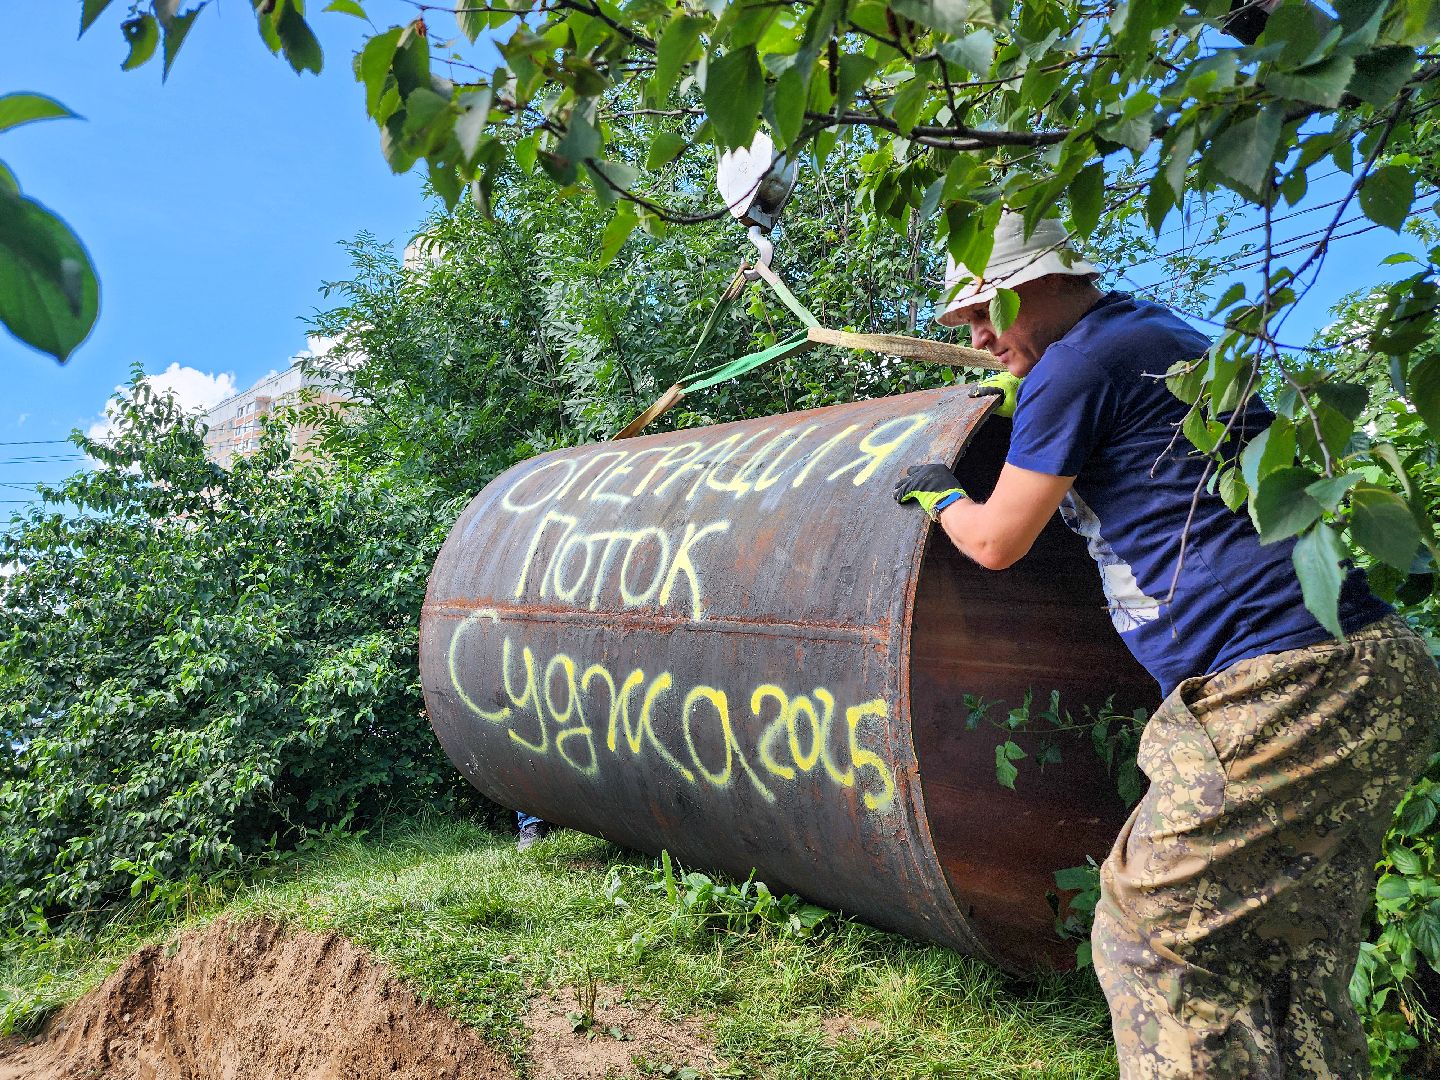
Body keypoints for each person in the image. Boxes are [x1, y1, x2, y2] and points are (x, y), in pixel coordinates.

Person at [894, 211, 1440, 1078]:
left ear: (1046, 278)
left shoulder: (1075, 367)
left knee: (1152, 943)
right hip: (1369, 670)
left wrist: (940, 497)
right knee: (1283, 966)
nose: (984, 336)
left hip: (1279, 683)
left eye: (989, 309)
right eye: (968, 325)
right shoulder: (1156, 336)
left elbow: (998, 541)